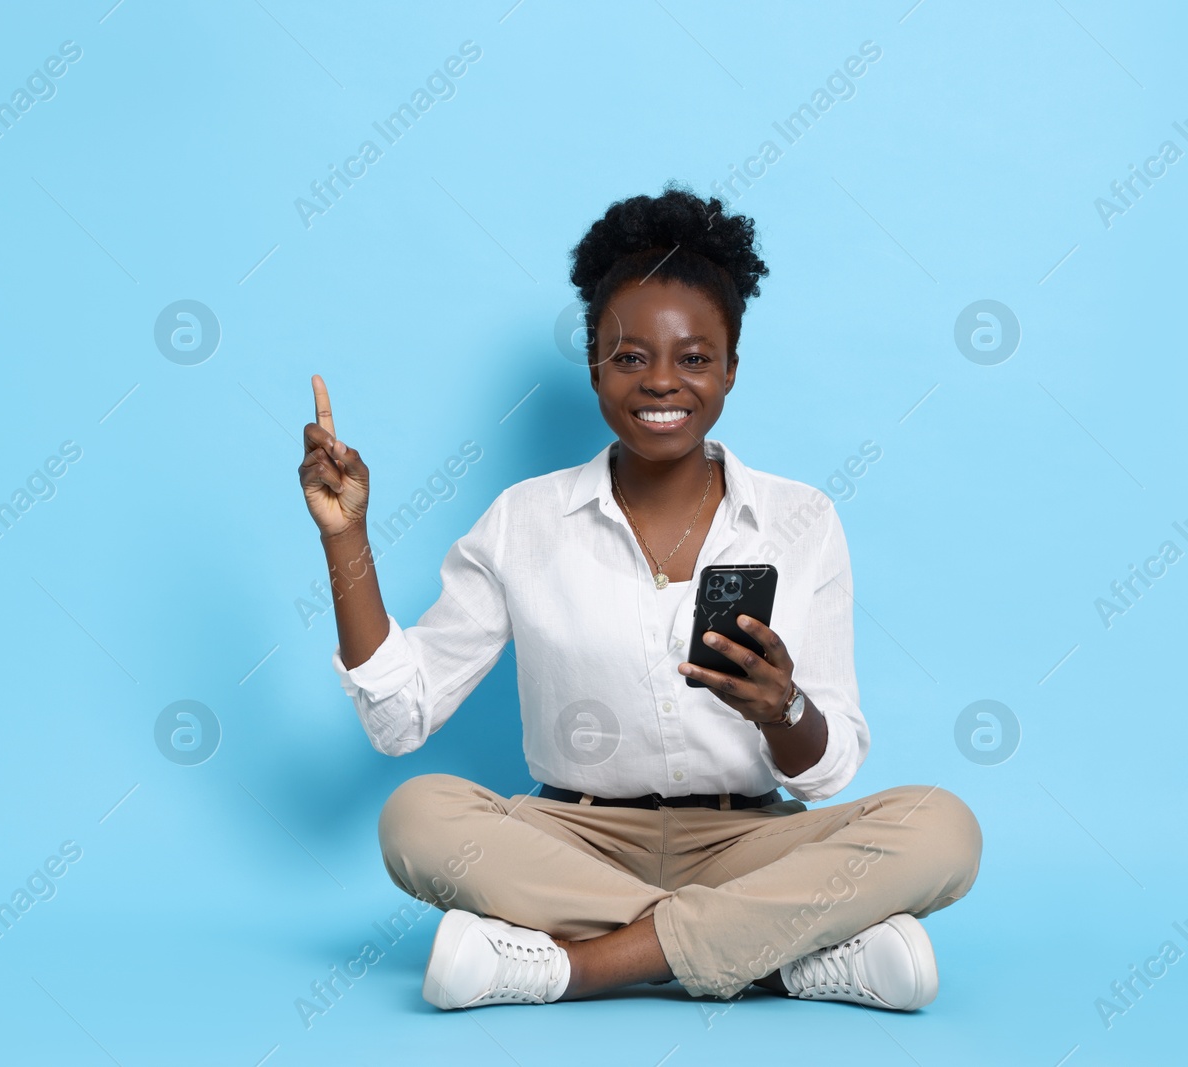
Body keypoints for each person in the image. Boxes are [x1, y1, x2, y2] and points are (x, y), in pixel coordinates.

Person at [297, 184, 982, 1012]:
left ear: (731, 366)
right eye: (630, 357)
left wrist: (782, 706)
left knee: (943, 828)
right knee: (416, 816)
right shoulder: (525, 520)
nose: (664, 382)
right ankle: (781, 957)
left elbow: (830, 773)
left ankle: (577, 967)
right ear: (594, 365)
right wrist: (346, 537)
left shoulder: (801, 520)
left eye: (695, 357)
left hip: (750, 840)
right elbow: (398, 716)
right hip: (573, 842)